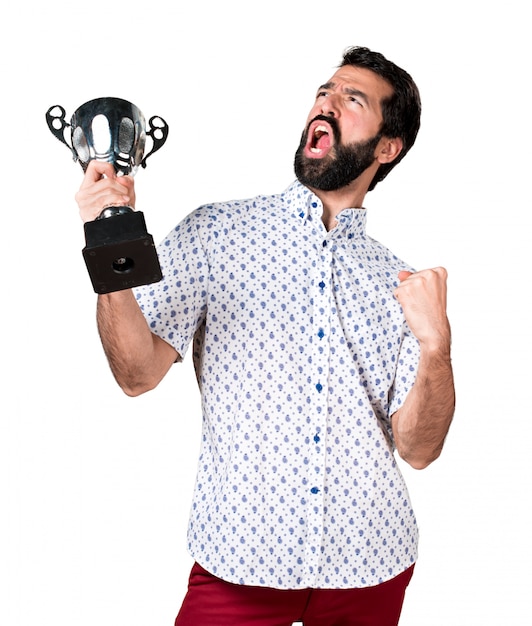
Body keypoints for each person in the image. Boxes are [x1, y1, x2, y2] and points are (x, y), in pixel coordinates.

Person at [75, 46, 455, 626]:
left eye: (352, 100)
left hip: (372, 565)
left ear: (387, 147)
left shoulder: (400, 282)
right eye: (324, 92)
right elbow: (137, 373)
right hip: (239, 564)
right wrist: (109, 240)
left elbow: (419, 449)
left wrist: (436, 346)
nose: (325, 104)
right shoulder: (217, 233)